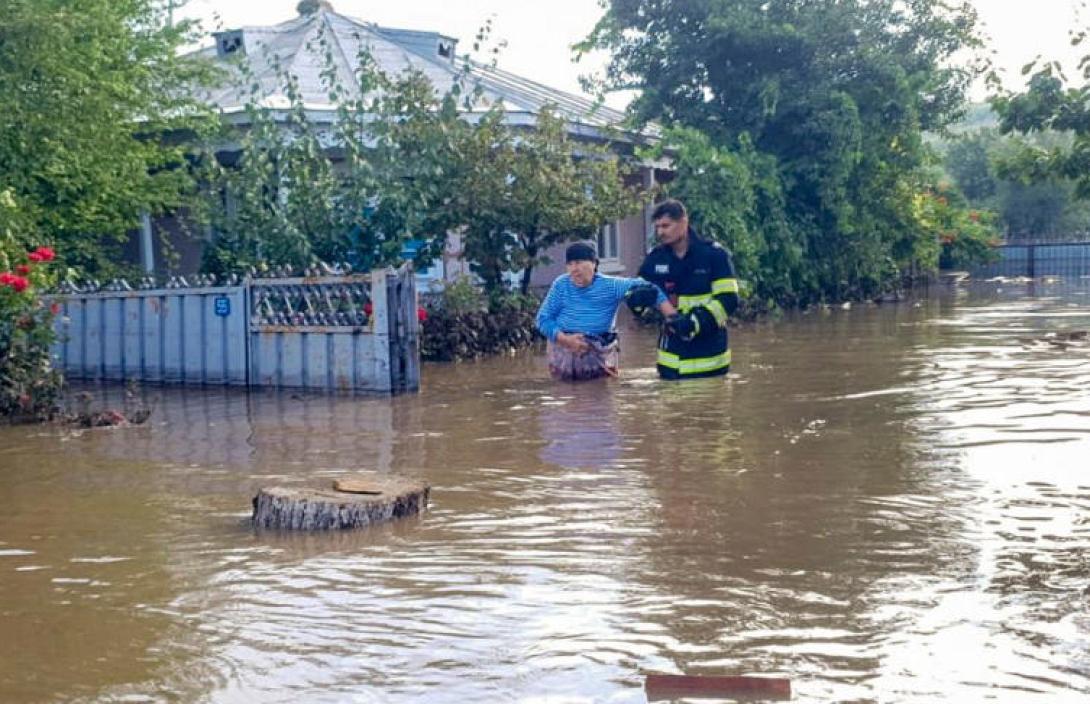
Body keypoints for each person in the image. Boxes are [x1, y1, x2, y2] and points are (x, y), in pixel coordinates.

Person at [536, 241, 676, 381]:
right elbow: (542, 319)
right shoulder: (561, 285)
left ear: (594, 264)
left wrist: (672, 318)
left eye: (578, 262)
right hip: (563, 354)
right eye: (570, 264)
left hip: (599, 355)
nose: (574, 269)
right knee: (564, 394)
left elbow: (652, 289)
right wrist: (565, 340)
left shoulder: (612, 286)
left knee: (601, 393)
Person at [635, 199, 741, 379]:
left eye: (666, 226)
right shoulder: (655, 259)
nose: (660, 232)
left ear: (684, 222)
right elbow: (640, 304)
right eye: (658, 227)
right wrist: (637, 302)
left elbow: (729, 299)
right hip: (670, 366)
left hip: (710, 363)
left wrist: (695, 321)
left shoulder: (714, 255)